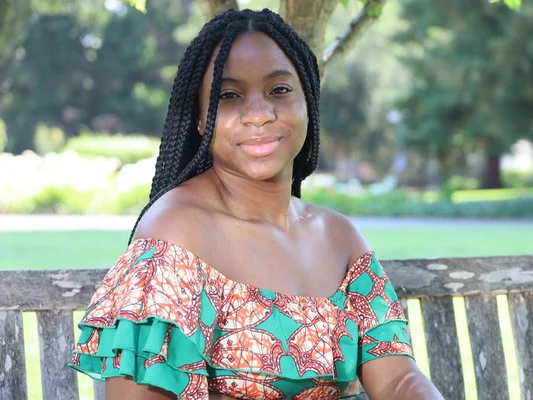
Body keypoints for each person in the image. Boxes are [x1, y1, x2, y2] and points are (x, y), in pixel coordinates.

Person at [69, 8, 443, 400]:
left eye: (279, 90)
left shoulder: (339, 237)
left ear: (308, 103)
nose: (259, 115)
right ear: (200, 117)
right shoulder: (176, 233)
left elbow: (398, 379)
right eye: (229, 96)